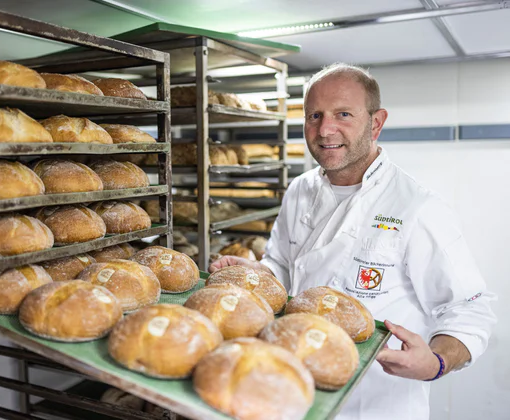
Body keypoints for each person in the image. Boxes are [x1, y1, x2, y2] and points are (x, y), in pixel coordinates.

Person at [209, 63, 496, 420]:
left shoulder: (417, 207)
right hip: (291, 391)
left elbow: (470, 309)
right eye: (314, 115)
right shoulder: (300, 190)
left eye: (343, 114)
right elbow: (284, 266)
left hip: (374, 403)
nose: (325, 129)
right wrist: (260, 271)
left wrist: (435, 362)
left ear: (376, 123)